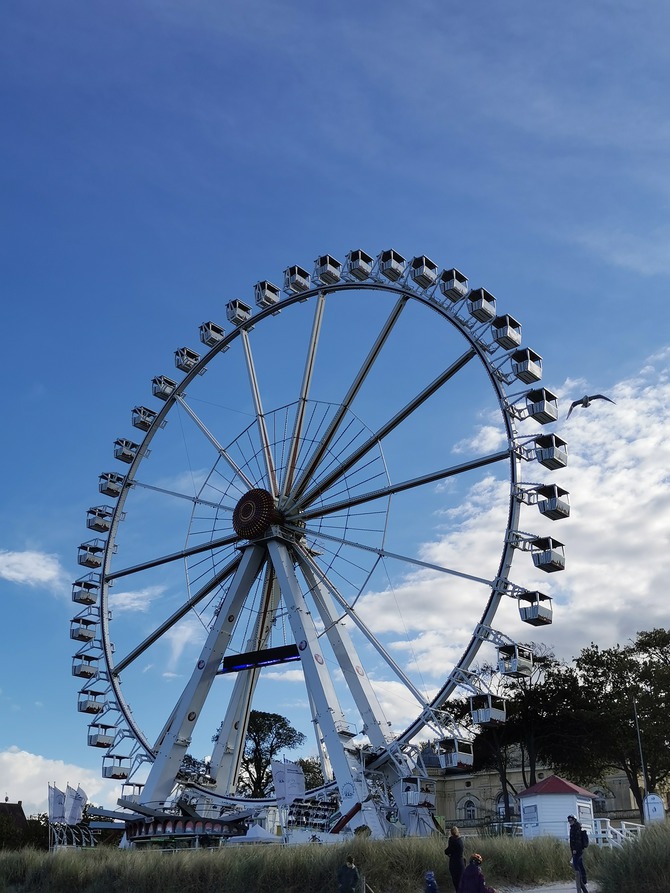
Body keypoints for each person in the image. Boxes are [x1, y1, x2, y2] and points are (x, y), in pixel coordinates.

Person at [568, 814, 589, 893]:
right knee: (580, 864)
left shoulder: (576, 827)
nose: (570, 822)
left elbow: (577, 840)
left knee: (576, 865)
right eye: (569, 820)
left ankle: (581, 883)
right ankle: (584, 882)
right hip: (576, 850)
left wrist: (575, 849)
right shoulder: (573, 827)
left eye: (571, 820)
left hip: (578, 850)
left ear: (575, 820)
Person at [444, 825, 465, 891]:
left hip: (454, 864)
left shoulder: (452, 841)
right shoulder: (460, 841)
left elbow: (447, 851)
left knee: (456, 883)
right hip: (461, 863)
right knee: (461, 883)